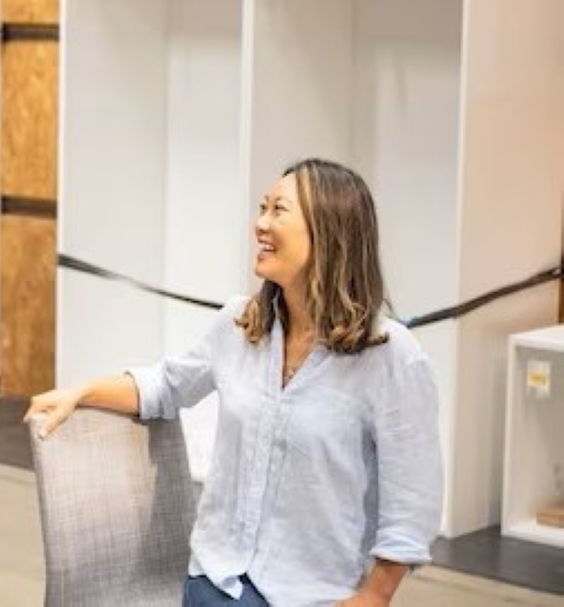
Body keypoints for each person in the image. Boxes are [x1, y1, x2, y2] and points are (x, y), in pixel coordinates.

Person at [26, 158, 442, 606]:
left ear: (329, 231)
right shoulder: (241, 324)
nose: (260, 224)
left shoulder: (391, 356)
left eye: (278, 211)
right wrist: (81, 392)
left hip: (314, 594)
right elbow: (166, 386)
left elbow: (412, 500)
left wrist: (375, 597)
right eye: (262, 208)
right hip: (214, 579)